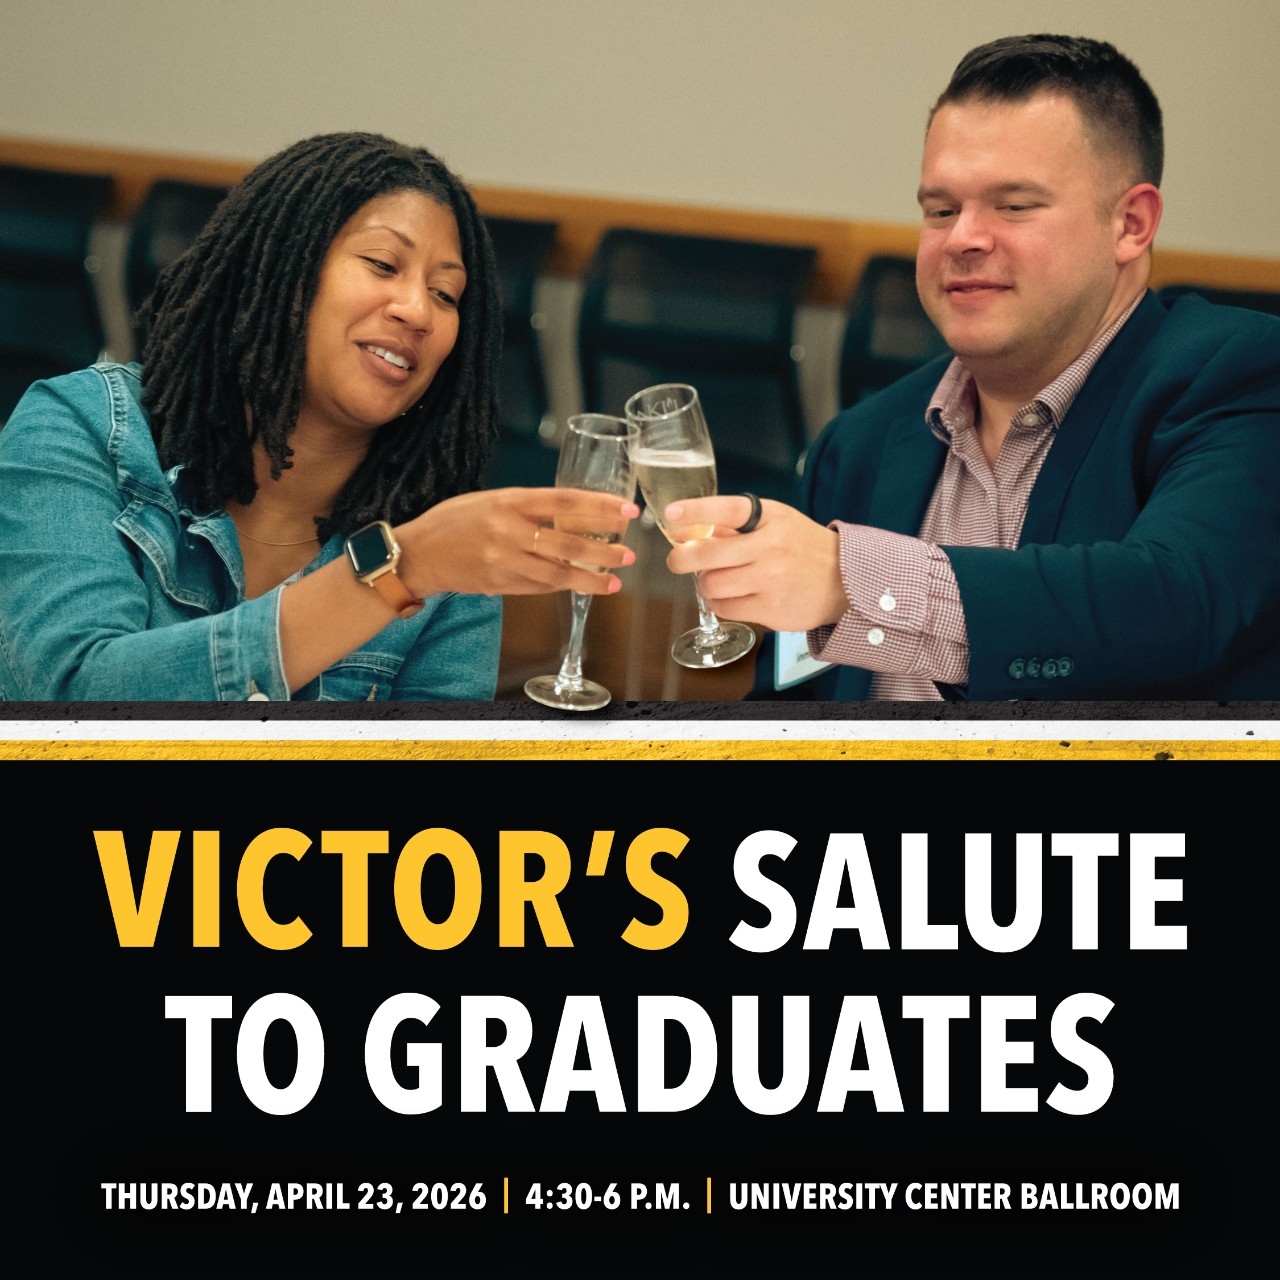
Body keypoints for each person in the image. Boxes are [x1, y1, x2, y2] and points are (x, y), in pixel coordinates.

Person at [661, 34, 1280, 701]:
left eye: (1013, 205)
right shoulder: (861, 442)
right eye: (941, 210)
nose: (962, 238)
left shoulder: (1239, 372)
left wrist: (855, 580)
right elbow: (790, 708)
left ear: (1130, 223)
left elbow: (1176, 603)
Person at [0, 132, 638, 702]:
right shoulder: (85, 427)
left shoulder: (446, 549)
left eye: (447, 295)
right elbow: (74, 698)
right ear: (279, 265)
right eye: (383, 264)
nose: (418, 310)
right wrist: (397, 569)